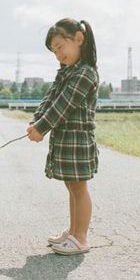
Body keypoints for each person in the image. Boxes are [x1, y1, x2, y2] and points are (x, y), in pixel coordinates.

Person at [27, 18, 100, 255]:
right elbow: (50, 99)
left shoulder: (86, 74)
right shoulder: (67, 72)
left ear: (78, 39)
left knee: (79, 188)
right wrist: (35, 122)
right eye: (54, 51)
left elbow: (63, 104)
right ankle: (73, 231)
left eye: (60, 47)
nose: (58, 54)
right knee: (72, 187)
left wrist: (42, 128)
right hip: (65, 138)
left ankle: (81, 237)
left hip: (78, 139)